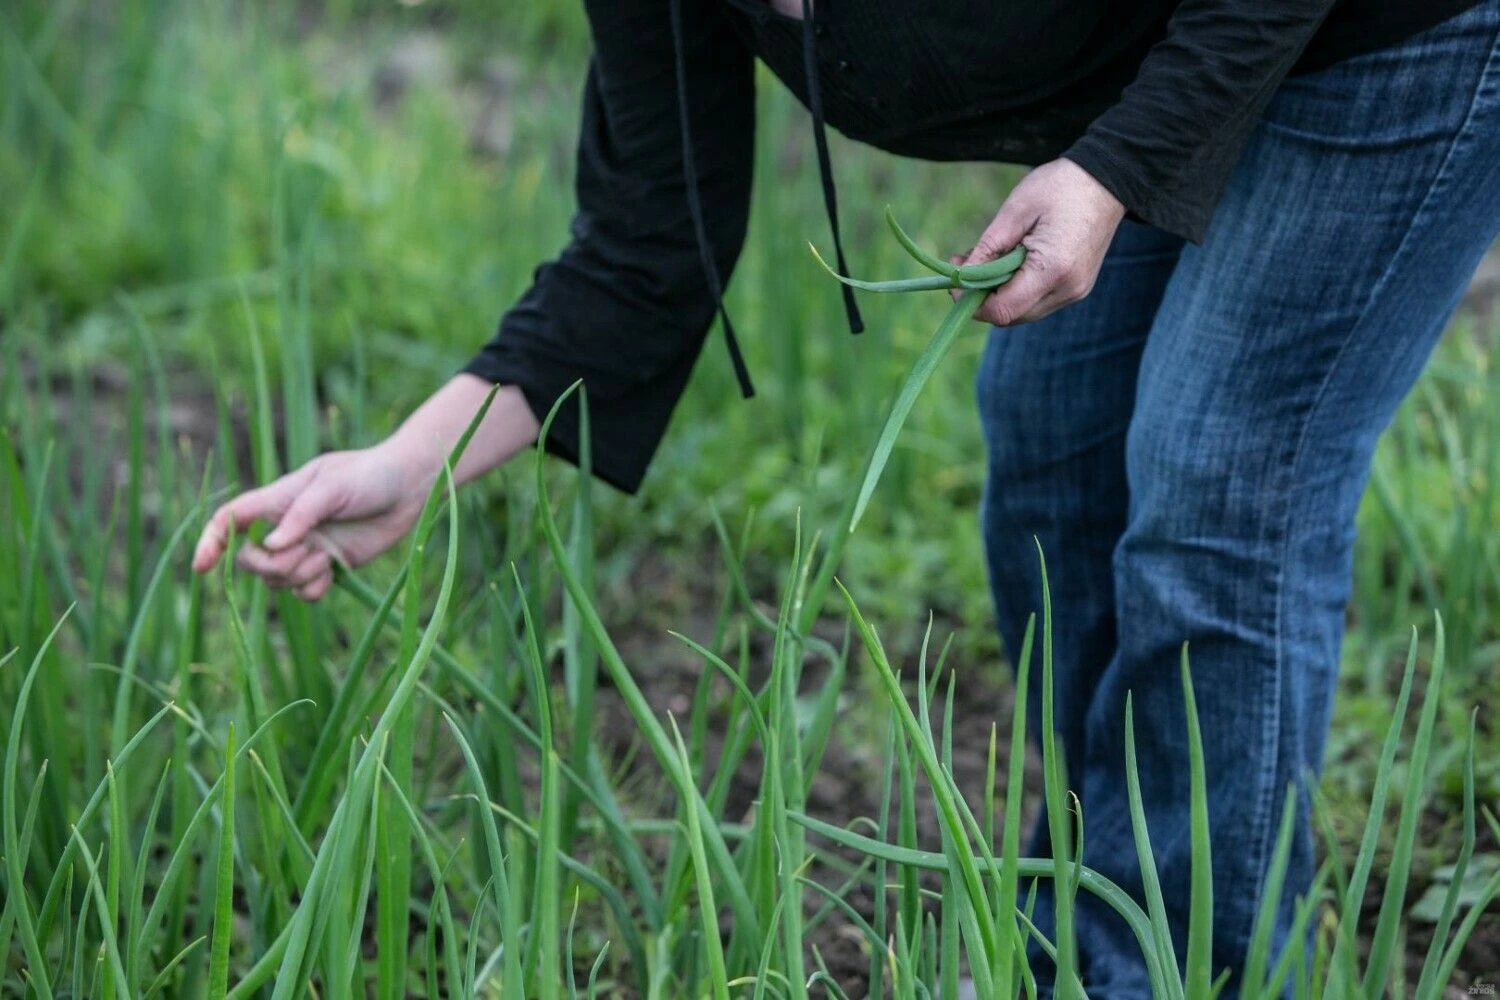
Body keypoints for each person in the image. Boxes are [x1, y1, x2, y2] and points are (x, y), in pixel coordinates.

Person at [191, 0, 1500, 995]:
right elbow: (644, 256)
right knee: (1049, 442)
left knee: (1218, 477)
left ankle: (1188, 969)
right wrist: (407, 466)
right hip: (1160, 52)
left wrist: (1105, 177)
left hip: (1388, 38)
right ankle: (1098, 922)